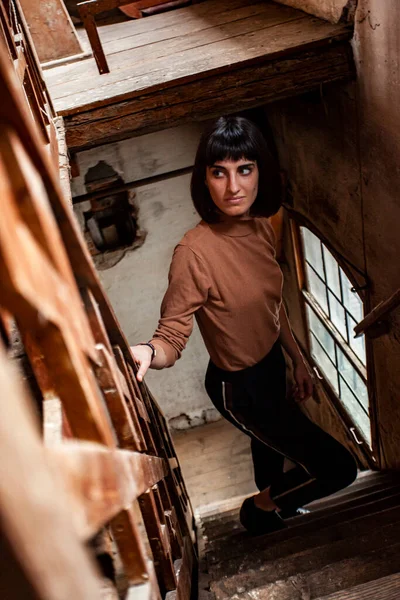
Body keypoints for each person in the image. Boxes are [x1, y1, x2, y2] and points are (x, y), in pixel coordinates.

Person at [130, 116, 357, 536]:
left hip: (272, 364)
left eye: (244, 169)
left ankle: (276, 507)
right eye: (219, 172)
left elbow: (273, 306)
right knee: (339, 468)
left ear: (260, 174)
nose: (233, 187)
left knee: (269, 451)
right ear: (205, 180)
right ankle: (258, 512)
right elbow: (171, 335)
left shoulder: (260, 227)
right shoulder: (193, 254)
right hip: (238, 389)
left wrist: (297, 359)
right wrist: (147, 351)